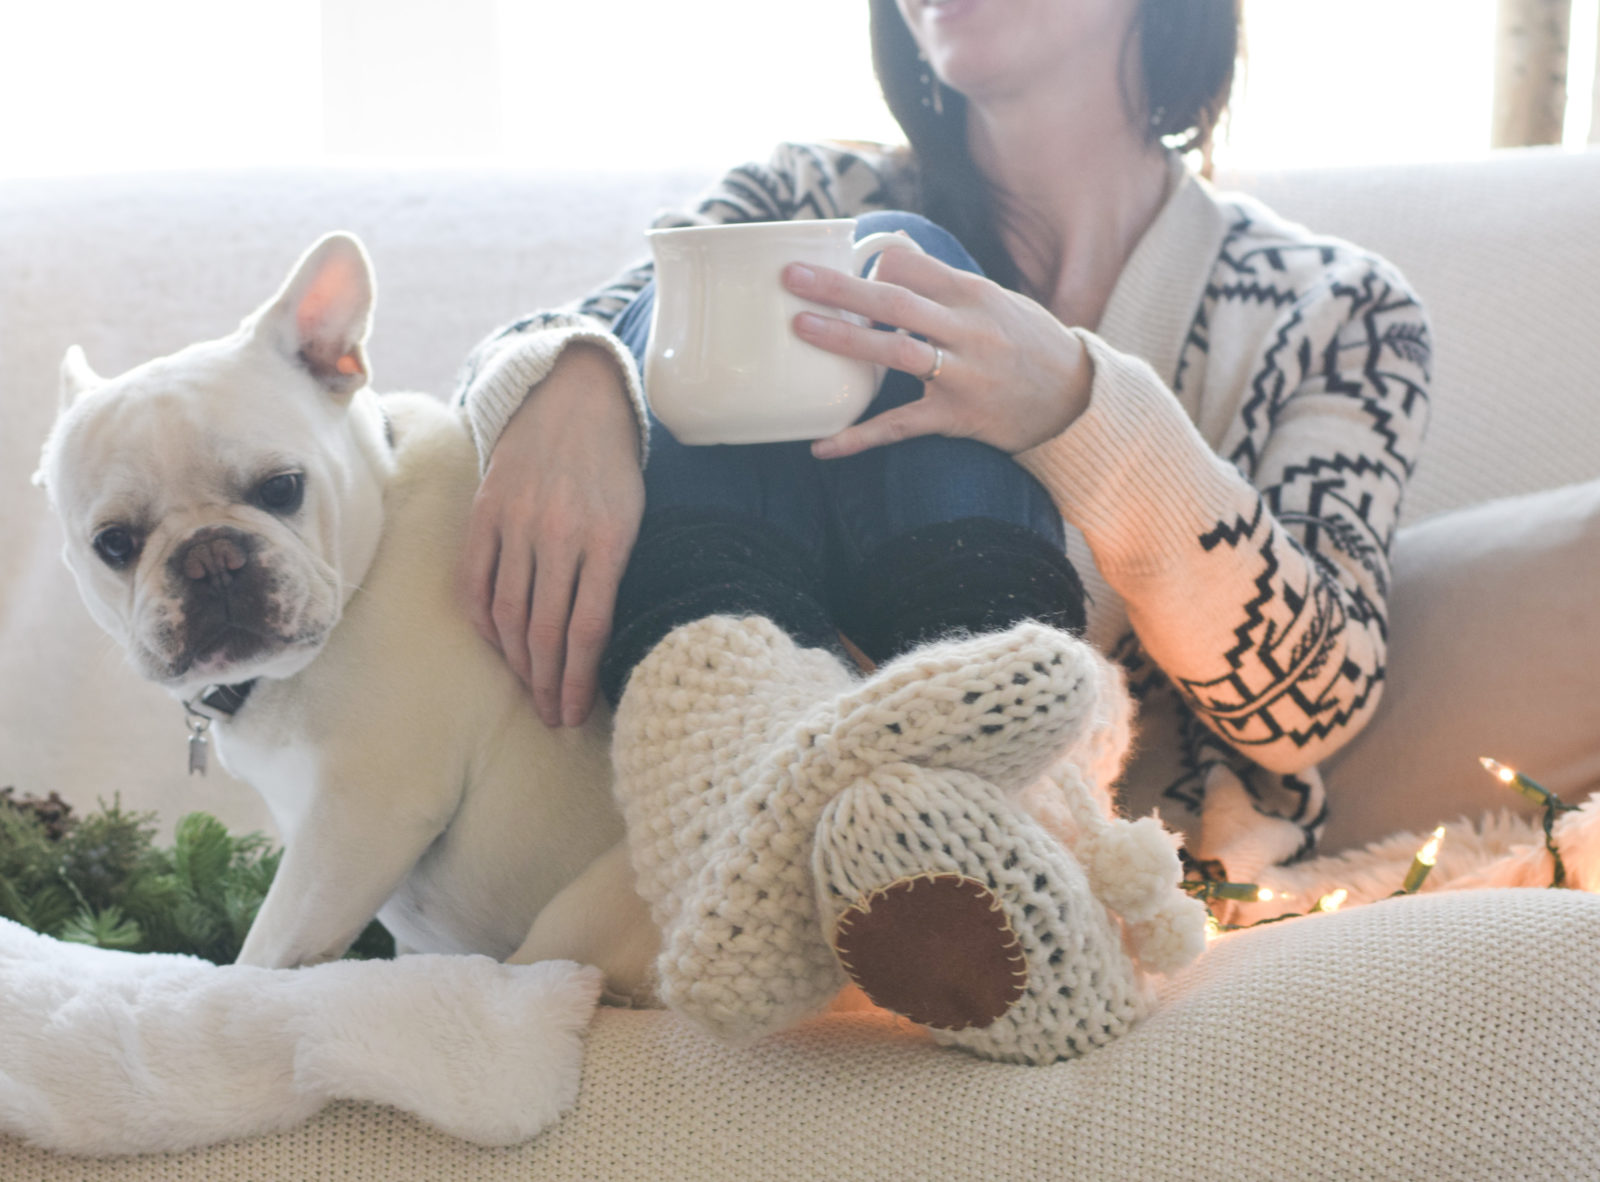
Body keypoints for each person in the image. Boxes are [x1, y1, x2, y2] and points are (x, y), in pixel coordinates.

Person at [452, 0, 1430, 1064]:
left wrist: (1081, 410)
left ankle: (1002, 826)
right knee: (853, 255)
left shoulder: (1336, 311)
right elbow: (556, 336)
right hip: (713, 840)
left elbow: (1314, 700)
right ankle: (749, 799)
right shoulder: (808, 195)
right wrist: (577, 377)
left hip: (1061, 861)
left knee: (888, 258)